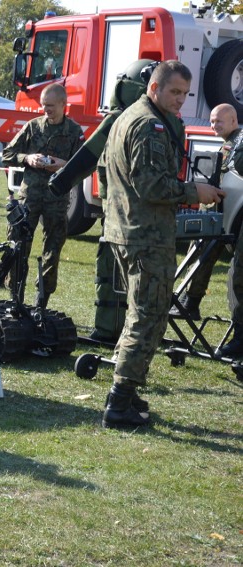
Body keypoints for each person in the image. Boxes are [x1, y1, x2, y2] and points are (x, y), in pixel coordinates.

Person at [100, 60, 223, 428]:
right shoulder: (148, 125)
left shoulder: (130, 116)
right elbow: (151, 186)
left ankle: (128, 390)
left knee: (143, 312)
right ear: (154, 87)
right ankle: (119, 402)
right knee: (148, 316)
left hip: (131, 230)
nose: (180, 101)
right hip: (145, 235)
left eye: (185, 94)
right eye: (174, 92)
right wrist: (194, 192)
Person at [0, 83, 84, 309]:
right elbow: (7, 154)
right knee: (18, 245)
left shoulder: (74, 132)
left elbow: (84, 166)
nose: (46, 110)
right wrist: (28, 159)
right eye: (44, 106)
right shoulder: (33, 127)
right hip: (30, 197)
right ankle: (15, 298)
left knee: (52, 251)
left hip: (57, 200)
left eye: (51, 106)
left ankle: (41, 302)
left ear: (63, 105)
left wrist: (62, 165)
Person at [169, 103, 243, 356]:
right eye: (211, 121)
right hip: (225, 209)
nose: (213, 126)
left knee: (235, 271)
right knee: (203, 252)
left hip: (230, 211)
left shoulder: (238, 141)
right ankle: (191, 301)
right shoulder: (233, 142)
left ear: (233, 120)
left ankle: (237, 332)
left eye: (218, 122)